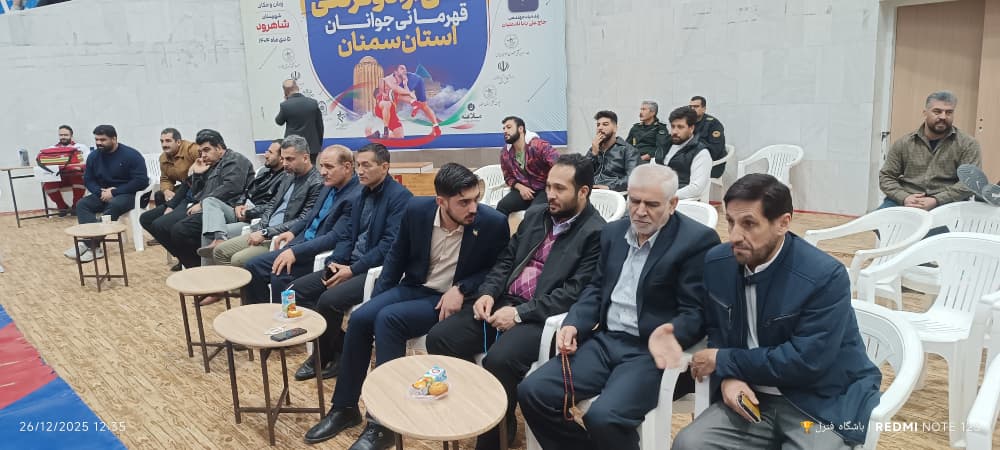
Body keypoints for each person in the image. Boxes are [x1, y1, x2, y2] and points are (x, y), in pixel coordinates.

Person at [662, 173, 881, 449]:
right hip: (751, 395)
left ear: (783, 223)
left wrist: (724, 361)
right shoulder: (718, 262)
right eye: (730, 221)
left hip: (821, 401)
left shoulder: (825, 276)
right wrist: (728, 377)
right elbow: (718, 328)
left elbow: (806, 363)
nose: (734, 236)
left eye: (749, 224)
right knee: (690, 443)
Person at [303, 163, 510, 448]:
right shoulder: (417, 210)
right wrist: (376, 299)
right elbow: (396, 257)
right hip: (415, 286)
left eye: (476, 198)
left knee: (389, 320)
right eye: (463, 202)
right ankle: (345, 408)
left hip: (449, 300)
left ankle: (383, 423)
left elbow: (498, 269)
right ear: (441, 202)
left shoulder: (492, 223)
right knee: (362, 318)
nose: (473, 207)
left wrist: (462, 288)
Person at [517, 164, 720, 450]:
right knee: (533, 391)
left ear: (672, 204)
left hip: (650, 352)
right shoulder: (613, 233)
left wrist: (672, 333)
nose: (640, 211)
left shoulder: (696, 241)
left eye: (652, 204)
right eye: (634, 201)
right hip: (605, 342)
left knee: (604, 418)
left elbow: (696, 311)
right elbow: (596, 288)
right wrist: (574, 322)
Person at [426, 154, 606, 450]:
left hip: (541, 317)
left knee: (499, 360)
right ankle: (486, 408)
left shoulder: (596, 233)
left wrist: (520, 313)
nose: (550, 194)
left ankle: (493, 437)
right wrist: (487, 293)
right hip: (504, 301)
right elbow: (506, 260)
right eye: (548, 186)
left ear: (583, 191)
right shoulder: (536, 215)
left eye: (560, 188)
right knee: (441, 338)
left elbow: (573, 293)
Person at [286, 143, 413, 381]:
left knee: (329, 301)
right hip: (348, 265)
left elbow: (388, 246)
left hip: (374, 271)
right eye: (358, 165)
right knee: (295, 291)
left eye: (367, 165)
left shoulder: (400, 198)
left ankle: (321, 357)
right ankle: (340, 349)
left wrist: (352, 270)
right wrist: (336, 261)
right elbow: (346, 235)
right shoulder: (361, 194)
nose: (360, 171)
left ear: (384, 167)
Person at [242, 145, 363, 304]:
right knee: (253, 266)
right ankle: (259, 313)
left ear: (347, 167)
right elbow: (311, 215)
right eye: (321, 166)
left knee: (280, 275)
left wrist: (295, 252)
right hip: (301, 241)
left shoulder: (355, 196)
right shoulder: (329, 185)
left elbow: (333, 237)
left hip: (317, 251)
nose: (322, 172)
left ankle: (283, 318)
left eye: (329, 167)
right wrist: (292, 231)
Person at [207, 135, 324, 269]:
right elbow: (273, 203)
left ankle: (243, 282)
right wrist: (262, 227)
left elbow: (303, 219)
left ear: (305, 158)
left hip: (280, 237)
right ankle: (232, 282)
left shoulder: (316, 183)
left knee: (237, 260)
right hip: (264, 230)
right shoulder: (289, 176)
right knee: (219, 251)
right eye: (283, 158)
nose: (285, 164)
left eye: (290, 159)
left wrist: (266, 232)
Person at [146, 129, 254, 270]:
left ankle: (197, 267)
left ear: (219, 148)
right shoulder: (211, 163)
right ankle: (192, 265)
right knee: (163, 226)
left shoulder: (235, 160)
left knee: (180, 230)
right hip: (207, 207)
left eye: (207, 150)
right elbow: (196, 192)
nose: (203, 155)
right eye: (201, 151)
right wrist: (197, 174)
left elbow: (230, 188)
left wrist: (202, 204)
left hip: (228, 209)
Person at [879, 90, 981, 210]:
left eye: (949, 112)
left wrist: (937, 200)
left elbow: (971, 182)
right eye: (937, 111)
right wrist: (904, 197)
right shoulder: (904, 143)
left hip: (948, 203)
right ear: (925, 113)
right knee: (878, 220)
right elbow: (886, 176)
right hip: (907, 199)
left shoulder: (968, 144)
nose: (943, 117)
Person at [62, 125, 149, 262]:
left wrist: (114, 192)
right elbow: (88, 180)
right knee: (82, 204)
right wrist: (100, 192)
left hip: (129, 194)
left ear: (114, 139)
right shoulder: (93, 156)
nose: (99, 143)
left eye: (103, 140)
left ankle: (88, 244)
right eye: (97, 139)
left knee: (114, 205)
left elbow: (141, 181)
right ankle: (94, 247)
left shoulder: (132, 155)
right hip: (103, 193)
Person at [195, 138, 286, 260]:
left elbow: (274, 206)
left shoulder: (286, 178)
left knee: (211, 232)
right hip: (241, 210)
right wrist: (239, 204)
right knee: (209, 201)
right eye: (266, 151)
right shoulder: (264, 171)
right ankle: (220, 239)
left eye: (270, 152)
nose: (265, 155)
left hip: (255, 219)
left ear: (281, 158)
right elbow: (247, 190)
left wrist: (249, 213)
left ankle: (212, 263)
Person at [496, 115, 559, 215]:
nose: (505, 131)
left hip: (544, 189)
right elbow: (508, 177)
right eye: (504, 128)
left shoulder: (538, 145)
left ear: (520, 129)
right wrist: (520, 187)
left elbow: (558, 165)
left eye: (509, 127)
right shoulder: (505, 153)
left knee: (533, 213)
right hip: (523, 190)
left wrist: (552, 186)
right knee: (502, 207)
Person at [655, 106, 712, 200]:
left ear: (691, 128)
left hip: (680, 201)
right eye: (673, 126)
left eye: (680, 127)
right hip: (659, 194)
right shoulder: (666, 144)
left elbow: (696, 188)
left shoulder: (701, 153)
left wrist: (666, 197)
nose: (674, 131)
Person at [37, 125, 89, 216]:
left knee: (79, 179)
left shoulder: (81, 147)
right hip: (59, 177)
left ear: (71, 135)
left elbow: (88, 162)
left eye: (66, 135)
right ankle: (62, 207)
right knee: (48, 184)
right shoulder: (51, 149)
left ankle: (76, 206)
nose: (63, 137)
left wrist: (79, 168)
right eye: (61, 135)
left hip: (75, 175)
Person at [588, 110, 639, 192]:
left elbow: (632, 178)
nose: (600, 128)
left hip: (613, 193)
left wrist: (609, 187)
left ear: (615, 128)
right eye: (598, 125)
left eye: (605, 124)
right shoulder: (594, 148)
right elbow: (582, 174)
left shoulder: (628, 150)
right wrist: (593, 154)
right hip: (591, 191)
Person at [276, 79, 325, 161]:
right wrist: (318, 144)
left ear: (285, 92)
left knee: (293, 168)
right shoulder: (313, 103)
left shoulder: (285, 105)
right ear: (297, 87)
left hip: (292, 147)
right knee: (311, 167)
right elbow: (320, 126)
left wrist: (286, 101)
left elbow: (279, 121)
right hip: (312, 147)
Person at [153, 128, 200, 207]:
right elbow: (166, 178)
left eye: (168, 141)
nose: (164, 145)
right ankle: (165, 214)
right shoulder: (163, 158)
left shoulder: (192, 150)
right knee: (159, 195)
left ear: (178, 142)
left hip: (201, 187)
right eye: (162, 141)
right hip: (185, 187)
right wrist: (166, 190)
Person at [689, 95, 727, 177]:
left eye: (696, 106)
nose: (692, 109)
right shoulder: (689, 123)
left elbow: (715, 151)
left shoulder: (714, 124)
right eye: (690, 107)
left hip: (713, 165)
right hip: (693, 161)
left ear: (704, 109)